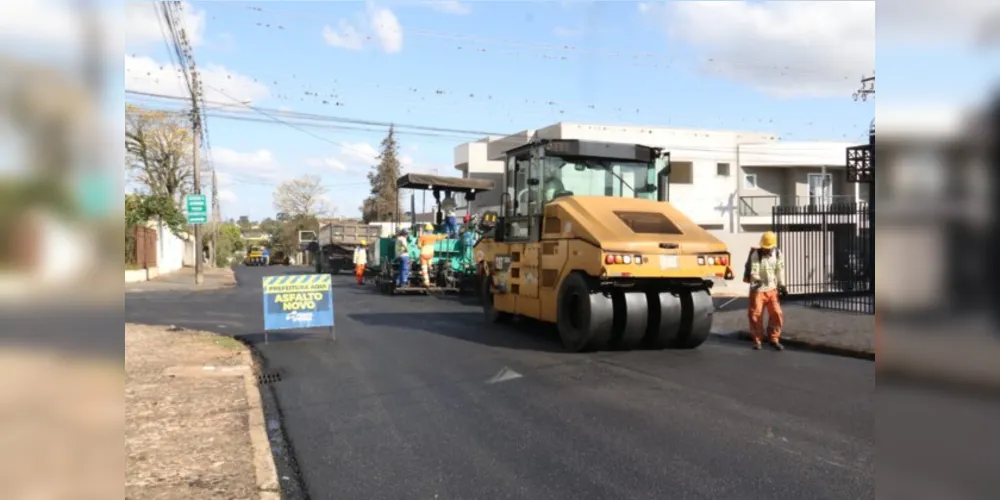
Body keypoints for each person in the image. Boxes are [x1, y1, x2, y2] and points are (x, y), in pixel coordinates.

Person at [748, 231, 789, 351]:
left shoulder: (778, 253)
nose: (765, 250)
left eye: (768, 248)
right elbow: (754, 271)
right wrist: (758, 279)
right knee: (756, 316)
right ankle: (757, 341)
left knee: (777, 314)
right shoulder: (756, 254)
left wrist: (782, 285)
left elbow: (779, 270)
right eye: (764, 247)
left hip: (772, 289)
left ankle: (774, 339)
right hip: (758, 290)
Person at [417, 223, 437, 287]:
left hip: (424, 254)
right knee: (429, 265)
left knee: (424, 269)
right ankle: (431, 269)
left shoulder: (422, 237)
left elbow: (419, 246)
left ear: (425, 230)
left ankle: (426, 282)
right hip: (431, 254)